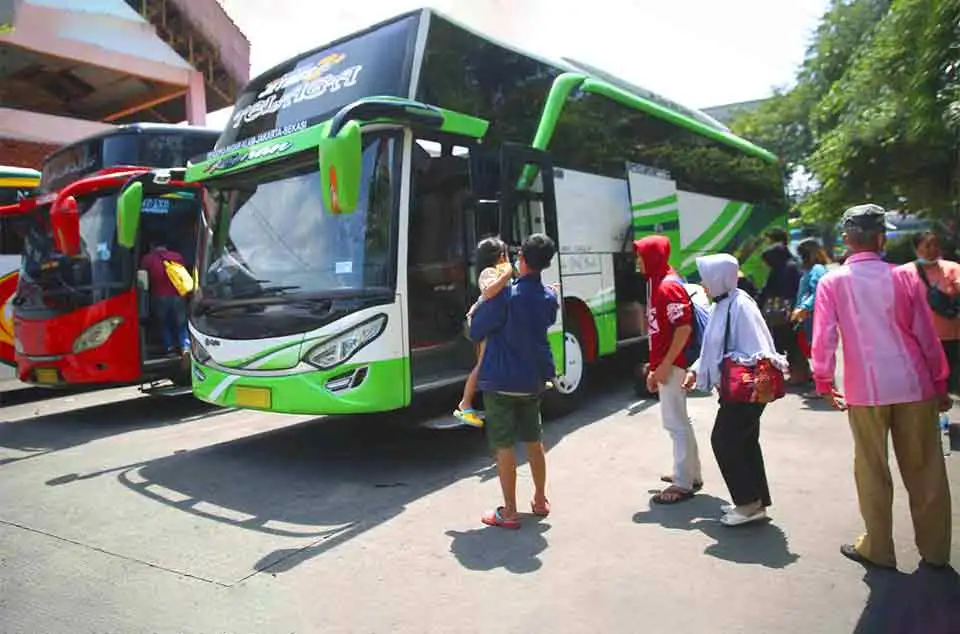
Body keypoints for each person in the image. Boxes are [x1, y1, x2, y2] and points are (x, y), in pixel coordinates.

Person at [812, 203, 953, 570]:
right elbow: (926, 334)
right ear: (880, 238)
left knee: (872, 469)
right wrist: (940, 382)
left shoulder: (832, 281)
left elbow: (824, 338)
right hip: (914, 385)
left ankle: (878, 548)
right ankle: (936, 551)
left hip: (865, 391)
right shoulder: (904, 277)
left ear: (846, 240)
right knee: (926, 470)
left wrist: (824, 381)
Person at [683, 253, 787, 526]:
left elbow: (758, 348)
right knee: (745, 443)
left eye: (706, 279)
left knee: (725, 441)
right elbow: (713, 346)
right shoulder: (725, 303)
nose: (703, 285)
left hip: (745, 390)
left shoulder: (740, 305)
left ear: (719, 278)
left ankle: (747, 503)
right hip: (737, 390)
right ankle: (755, 501)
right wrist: (697, 370)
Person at [468, 233, 558, 529]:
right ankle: (541, 499)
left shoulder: (507, 295)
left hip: (501, 381)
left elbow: (476, 329)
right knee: (534, 440)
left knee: (504, 445)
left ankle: (509, 511)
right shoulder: (548, 296)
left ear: (521, 260)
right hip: (531, 381)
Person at [634, 235, 703, 504]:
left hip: (673, 364)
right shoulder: (657, 282)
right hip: (667, 364)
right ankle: (689, 473)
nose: (637, 262)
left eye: (641, 256)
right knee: (679, 421)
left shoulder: (667, 287)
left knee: (675, 423)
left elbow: (683, 328)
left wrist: (663, 367)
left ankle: (683, 483)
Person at [454, 237, 514, 428]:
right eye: (504, 254)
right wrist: (507, 273)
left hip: (492, 322)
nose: (506, 258)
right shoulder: (487, 273)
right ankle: (465, 404)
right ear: (497, 256)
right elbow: (489, 292)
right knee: (481, 364)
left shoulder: (498, 271)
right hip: (484, 324)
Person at [911, 231, 960, 395]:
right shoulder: (906, 273)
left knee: (952, 383)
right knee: (927, 383)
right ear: (916, 249)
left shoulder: (952, 269)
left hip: (952, 337)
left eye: (936, 245)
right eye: (927, 245)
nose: (932, 249)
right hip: (920, 340)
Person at [759, 241, 806, 384]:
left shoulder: (783, 269)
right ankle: (801, 373)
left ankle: (797, 375)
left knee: (787, 343)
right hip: (791, 311)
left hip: (783, 313)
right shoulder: (792, 266)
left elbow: (770, 290)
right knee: (792, 343)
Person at [792, 238, 830, 398]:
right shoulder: (814, 269)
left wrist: (804, 307)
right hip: (810, 316)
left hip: (813, 316)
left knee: (817, 351)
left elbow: (818, 291)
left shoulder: (817, 269)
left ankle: (823, 388)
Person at [140, 241, 190, 360]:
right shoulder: (177, 256)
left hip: (159, 296)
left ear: (152, 246)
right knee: (181, 323)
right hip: (178, 295)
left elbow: (142, 277)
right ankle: (185, 347)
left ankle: (170, 348)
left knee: (164, 323)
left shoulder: (148, 259)